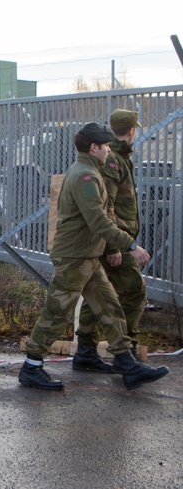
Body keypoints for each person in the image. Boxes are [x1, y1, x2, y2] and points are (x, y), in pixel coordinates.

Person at [18, 122, 169, 391]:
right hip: (74, 257)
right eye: (106, 146)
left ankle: (127, 366)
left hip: (88, 254)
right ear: (94, 147)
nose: (109, 150)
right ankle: (31, 366)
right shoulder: (85, 176)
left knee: (110, 308)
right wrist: (130, 246)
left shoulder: (91, 172)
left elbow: (103, 217)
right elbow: (98, 220)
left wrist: (111, 249)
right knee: (57, 312)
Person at [72, 109, 150, 367]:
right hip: (115, 241)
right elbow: (108, 206)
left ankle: (86, 351)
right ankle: (125, 353)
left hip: (113, 239)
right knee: (134, 291)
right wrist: (115, 246)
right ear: (132, 130)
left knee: (99, 294)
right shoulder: (113, 159)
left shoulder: (115, 156)